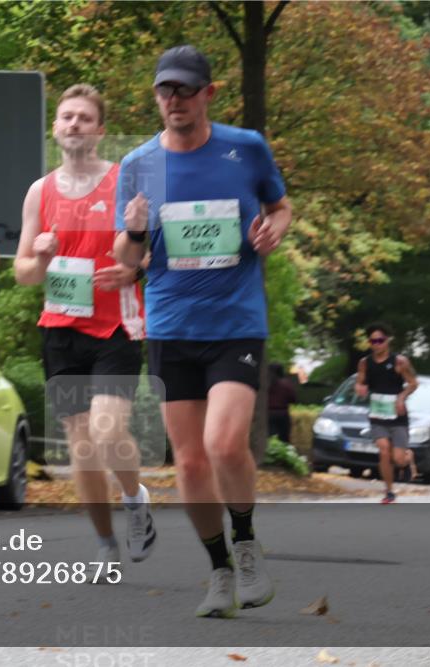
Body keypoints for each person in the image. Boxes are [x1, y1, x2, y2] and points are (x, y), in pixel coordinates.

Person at [113, 46, 293, 617]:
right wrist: (134, 232)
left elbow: (281, 207)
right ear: (156, 96)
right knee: (189, 463)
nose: (175, 101)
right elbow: (126, 257)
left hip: (236, 321)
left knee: (223, 443)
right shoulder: (138, 165)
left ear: (208, 94)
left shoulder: (246, 148)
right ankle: (219, 569)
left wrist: (274, 230)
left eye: (186, 90)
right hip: (171, 325)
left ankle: (246, 541)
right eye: (166, 90)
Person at [15, 84, 154, 580]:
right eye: (66, 117)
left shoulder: (122, 182)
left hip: (115, 326)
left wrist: (133, 271)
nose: (73, 124)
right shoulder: (40, 191)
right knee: (81, 449)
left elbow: (149, 252)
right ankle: (105, 545)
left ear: (100, 131)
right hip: (61, 328)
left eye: (84, 118)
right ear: (55, 128)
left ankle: (135, 497)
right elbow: (24, 273)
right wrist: (41, 257)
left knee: (106, 430)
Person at [354, 322, 418, 504]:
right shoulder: (364, 363)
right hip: (377, 415)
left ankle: (408, 458)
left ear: (387, 340)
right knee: (383, 450)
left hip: (397, 416)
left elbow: (413, 383)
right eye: (372, 341)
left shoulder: (399, 362)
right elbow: (359, 382)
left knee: (398, 459)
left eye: (380, 340)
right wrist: (359, 388)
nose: (376, 344)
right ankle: (389, 492)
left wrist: (401, 398)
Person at [267, 363, 297, 444]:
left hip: (268, 413)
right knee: (284, 438)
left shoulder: (266, 383)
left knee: (269, 438)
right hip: (283, 413)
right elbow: (293, 399)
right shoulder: (286, 384)